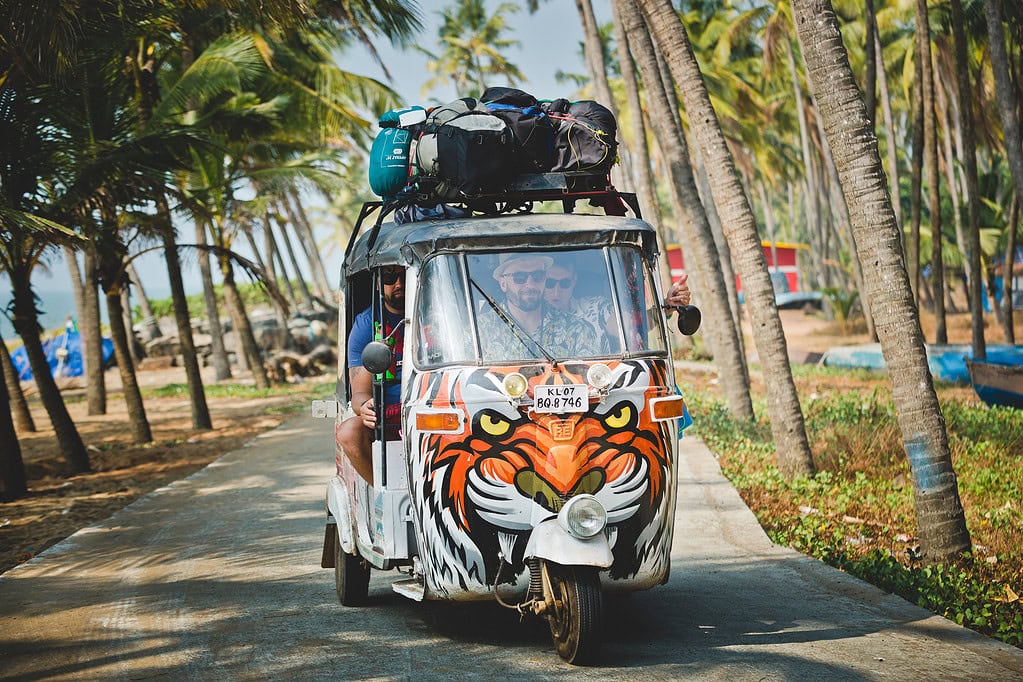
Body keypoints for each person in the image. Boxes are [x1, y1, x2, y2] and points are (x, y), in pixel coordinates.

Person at [336, 265, 405, 484]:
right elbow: (359, 393)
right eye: (389, 277)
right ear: (377, 283)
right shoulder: (367, 325)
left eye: (404, 276)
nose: (399, 284)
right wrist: (365, 407)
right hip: (389, 416)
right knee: (349, 433)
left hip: (436, 410)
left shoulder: (440, 314)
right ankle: (386, 497)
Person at [542, 256, 692, 351]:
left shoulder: (596, 307)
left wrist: (666, 306)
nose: (556, 291)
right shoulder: (525, 316)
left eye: (564, 283)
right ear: (540, 282)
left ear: (574, 281)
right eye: (549, 283)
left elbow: (630, 326)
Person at [477, 253, 599, 360]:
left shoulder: (578, 330)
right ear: (503, 283)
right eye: (520, 277)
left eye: (537, 276)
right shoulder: (479, 332)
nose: (530, 284)